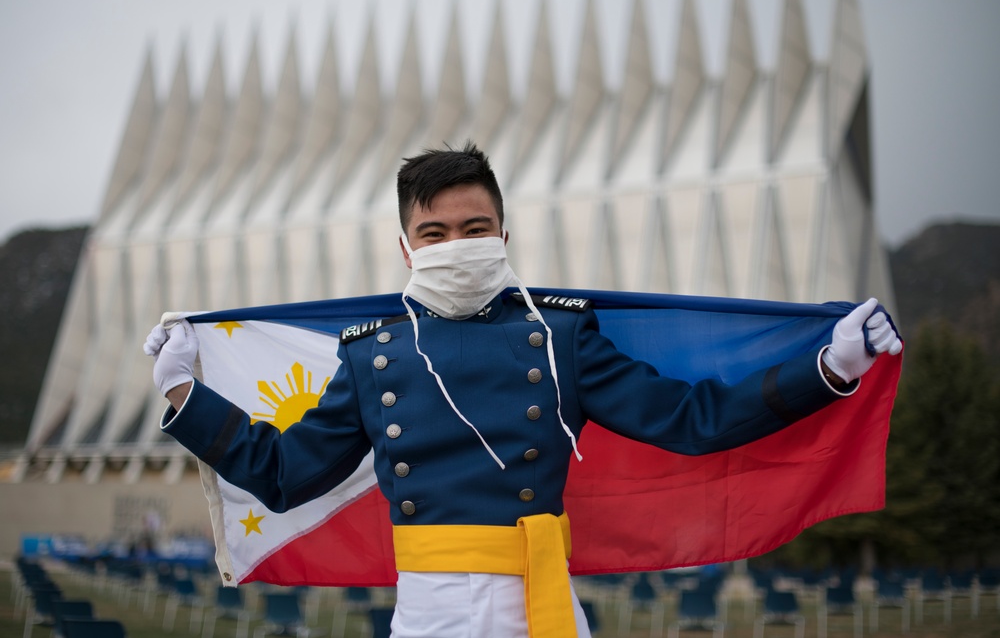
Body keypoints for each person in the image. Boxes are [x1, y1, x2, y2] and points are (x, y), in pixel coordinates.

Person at [145, 142, 902, 638]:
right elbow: (285, 473)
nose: (455, 245)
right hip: (427, 611)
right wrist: (186, 394)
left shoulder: (561, 337)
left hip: (536, 602)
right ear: (405, 247)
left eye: (474, 227)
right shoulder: (374, 355)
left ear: (503, 235)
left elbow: (691, 420)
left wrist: (826, 368)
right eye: (434, 233)